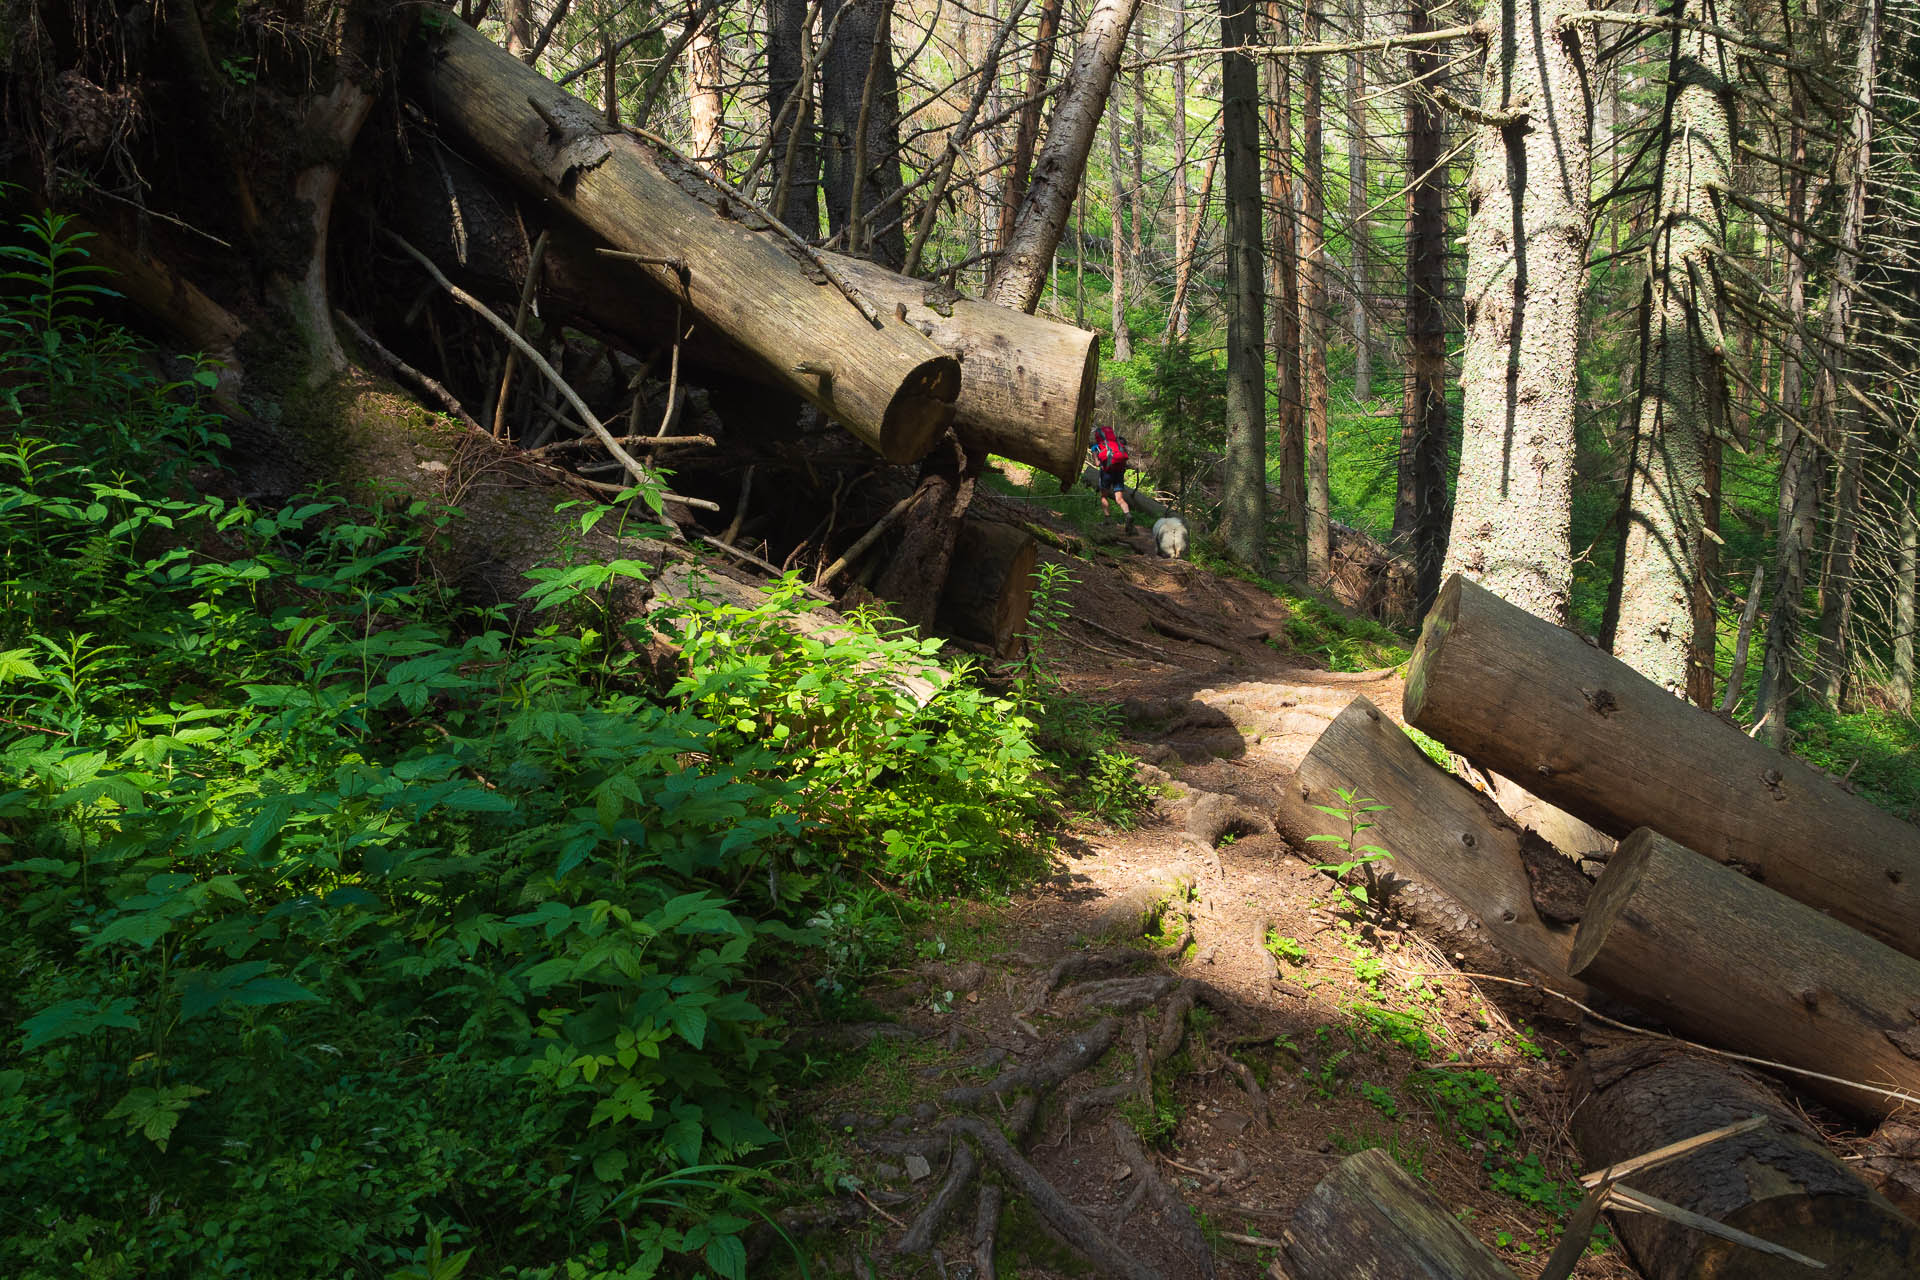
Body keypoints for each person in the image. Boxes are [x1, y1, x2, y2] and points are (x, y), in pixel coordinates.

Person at [1089, 424, 1134, 531]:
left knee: (1104, 496)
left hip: (1106, 473)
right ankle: (1128, 515)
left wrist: (1100, 460)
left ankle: (1107, 520)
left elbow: (1096, 463)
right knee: (1119, 498)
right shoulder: (1117, 444)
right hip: (1118, 473)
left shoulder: (1096, 447)